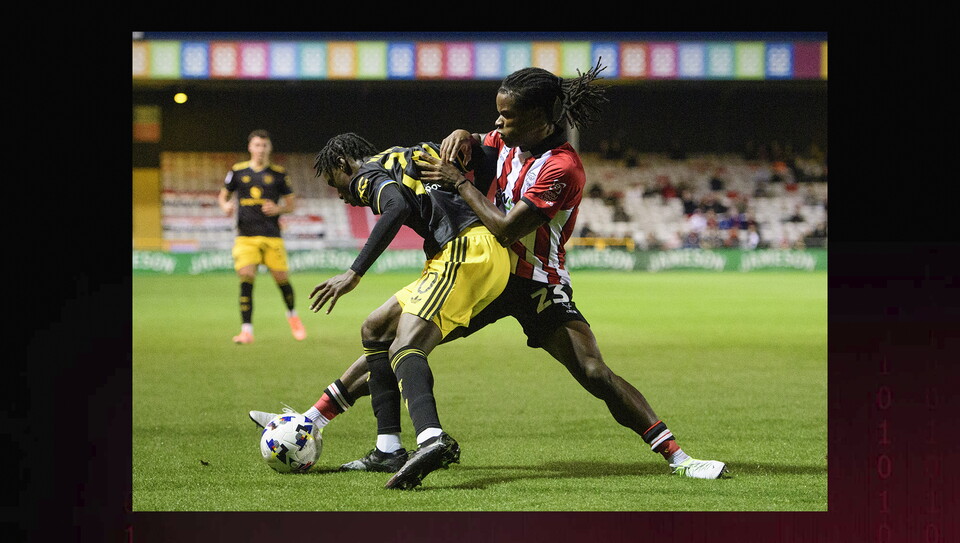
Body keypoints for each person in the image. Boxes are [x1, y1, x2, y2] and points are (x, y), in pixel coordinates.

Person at [252, 62, 727, 480]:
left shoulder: (563, 168)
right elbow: (474, 143)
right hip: (486, 273)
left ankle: (678, 457)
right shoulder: (506, 141)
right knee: (393, 335)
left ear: (542, 119)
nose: (499, 122)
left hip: (534, 280)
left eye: (508, 115)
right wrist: (463, 135)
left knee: (592, 371)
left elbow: (504, 228)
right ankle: (321, 424)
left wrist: (458, 181)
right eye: (497, 113)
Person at [254, 133, 510, 490]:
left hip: (465, 250)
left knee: (405, 346)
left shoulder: (365, 175)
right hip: (460, 253)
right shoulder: (398, 156)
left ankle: (431, 438)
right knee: (375, 328)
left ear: (344, 163)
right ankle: (387, 448)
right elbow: (482, 156)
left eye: (335, 182)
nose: (341, 195)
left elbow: (397, 207)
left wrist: (353, 272)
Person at [217, 129, 307, 344]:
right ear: (250, 147)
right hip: (245, 236)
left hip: (271, 236)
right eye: (257, 145)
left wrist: (278, 209)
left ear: (269, 148)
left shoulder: (278, 174)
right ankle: (246, 330)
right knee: (246, 277)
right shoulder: (238, 171)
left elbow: (292, 205)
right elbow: (223, 196)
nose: (260, 149)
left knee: (281, 279)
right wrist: (225, 206)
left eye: (264, 146)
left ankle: (293, 316)